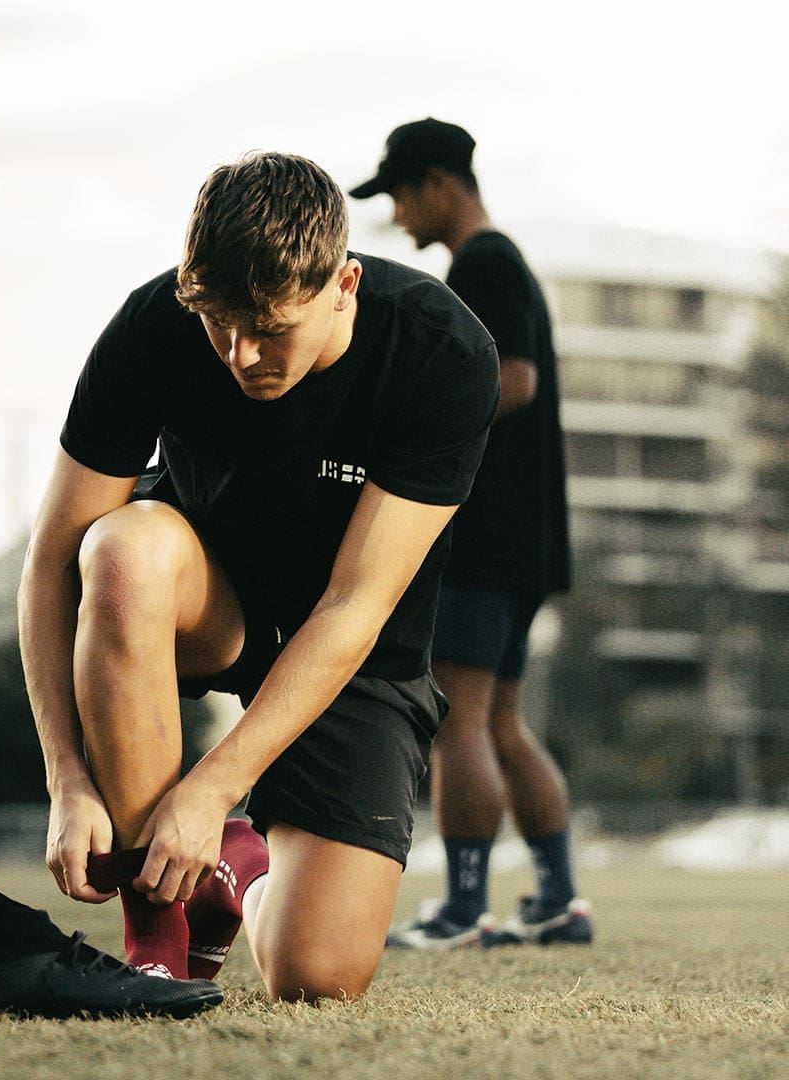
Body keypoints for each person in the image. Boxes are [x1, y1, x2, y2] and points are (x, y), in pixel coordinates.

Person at [0, 151, 498, 1008]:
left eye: (270, 328)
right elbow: (50, 564)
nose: (241, 355)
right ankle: (157, 947)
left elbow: (357, 602)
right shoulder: (153, 326)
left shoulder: (442, 352)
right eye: (219, 325)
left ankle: (234, 869)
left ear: (343, 284)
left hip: (350, 643)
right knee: (119, 552)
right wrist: (67, 777)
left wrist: (212, 789)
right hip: (211, 602)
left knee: (318, 977)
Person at [351, 119, 589, 949]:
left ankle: (461, 912)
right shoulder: (502, 260)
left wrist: (415, 426)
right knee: (499, 725)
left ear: (439, 185)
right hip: (527, 543)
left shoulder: (482, 262)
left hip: (487, 537)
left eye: (399, 197)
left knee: (458, 722)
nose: (397, 218)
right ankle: (558, 901)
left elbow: (512, 379)